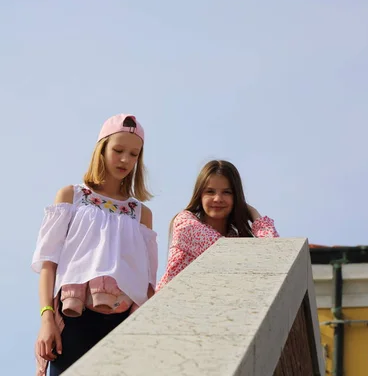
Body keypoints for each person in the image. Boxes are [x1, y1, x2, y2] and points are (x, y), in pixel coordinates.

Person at [31, 114, 158, 376]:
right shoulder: (71, 196)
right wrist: (46, 319)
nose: (125, 160)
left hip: (124, 324)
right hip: (74, 316)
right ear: (102, 149)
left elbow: (147, 283)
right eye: (118, 150)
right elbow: (48, 263)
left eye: (134, 154)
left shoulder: (140, 213)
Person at [156, 159, 279, 290]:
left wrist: (254, 215)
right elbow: (225, 254)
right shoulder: (185, 224)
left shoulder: (234, 239)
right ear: (200, 195)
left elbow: (274, 254)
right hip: (170, 306)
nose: (218, 199)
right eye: (210, 192)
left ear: (236, 198)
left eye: (227, 192)